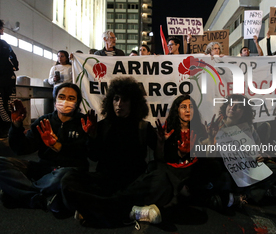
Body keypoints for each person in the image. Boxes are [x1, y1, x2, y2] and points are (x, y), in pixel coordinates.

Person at [60, 77, 171, 227]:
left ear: (134, 103)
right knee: (68, 179)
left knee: (162, 179)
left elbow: (159, 158)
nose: (119, 104)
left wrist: (160, 143)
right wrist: (92, 137)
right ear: (110, 101)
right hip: (105, 182)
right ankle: (131, 211)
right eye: (116, 99)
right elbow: (93, 157)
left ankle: (96, 209)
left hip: (134, 183)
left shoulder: (143, 127)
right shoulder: (101, 126)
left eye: (125, 100)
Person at [0, 83, 92, 209]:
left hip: (69, 171)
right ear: (55, 99)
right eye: (62, 97)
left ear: (78, 102)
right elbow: (22, 149)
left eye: (71, 98)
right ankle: (37, 195)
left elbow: (89, 153)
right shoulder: (44, 121)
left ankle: (21, 192)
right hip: (43, 169)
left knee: (64, 176)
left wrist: (58, 146)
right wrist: (16, 126)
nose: (65, 101)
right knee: (2, 163)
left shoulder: (85, 123)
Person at [202, 94, 276, 209]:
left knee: (274, 170)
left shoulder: (249, 128)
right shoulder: (214, 126)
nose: (232, 108)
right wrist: (211, 138)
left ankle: (240, 196)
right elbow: (209, 158)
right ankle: (248, 194)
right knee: (220, 177)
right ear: (226, 106)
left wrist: (259, 157)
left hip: (245, 168)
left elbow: (257, 151)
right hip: (225, 169)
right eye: (230, 104)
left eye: (238, 106)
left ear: (244, 112)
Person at [0, 19, 19, 138]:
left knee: (8, 103)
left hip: (7, 78)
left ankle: (8, 130)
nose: (2, 31)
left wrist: (14, 67)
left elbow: (14, 58)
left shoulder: (4, 44)